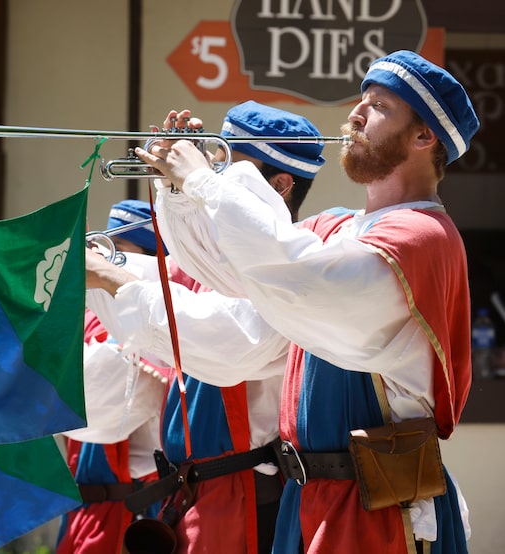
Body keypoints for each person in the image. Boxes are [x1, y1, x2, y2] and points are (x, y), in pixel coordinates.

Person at [134, 50, 479, 553]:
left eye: (379, 105)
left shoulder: (422, 235)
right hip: (310, 500)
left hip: (378, 507)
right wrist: (181, 193)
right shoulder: (336, 226)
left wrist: (206, 182)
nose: (355, 115)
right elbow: (233, 273)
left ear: (424, 136)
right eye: (361, 101)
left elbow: (297, 275)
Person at [84, 102, 327, 553]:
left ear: (281, 185)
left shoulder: (291, 270)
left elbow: (227, 341)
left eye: (229, 169)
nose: (210, 175)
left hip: (249, 494)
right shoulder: (201, 266)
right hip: (191, 495)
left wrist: (107, 275)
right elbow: (153, 278)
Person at [56, 199, 171, 554]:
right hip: (84, 515)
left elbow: (75, 408)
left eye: (117, 251)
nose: (101, 262)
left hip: (136, 516)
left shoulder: (147, 335)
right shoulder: (91, 321)